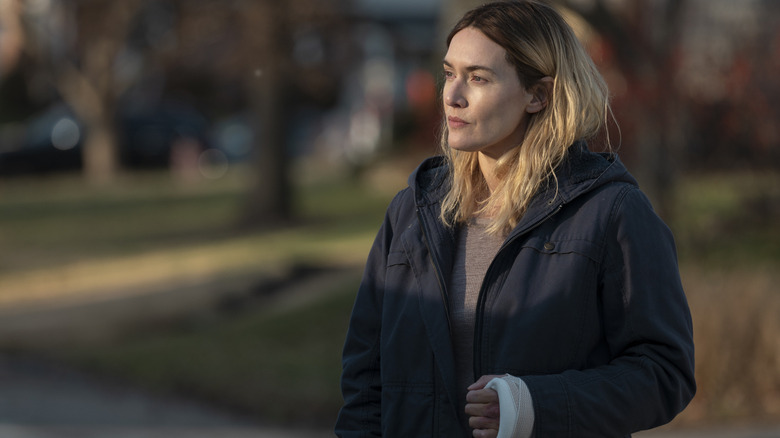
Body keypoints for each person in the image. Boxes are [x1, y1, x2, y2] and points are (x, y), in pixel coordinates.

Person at [335, 1, 696, 437]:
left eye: (478, 78)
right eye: (449, 73)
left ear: (538, 95)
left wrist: (532, 406)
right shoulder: (412, 212)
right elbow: (365, 383)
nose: (452, 95)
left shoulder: (611, 212)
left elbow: (664, 372)